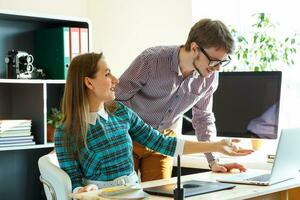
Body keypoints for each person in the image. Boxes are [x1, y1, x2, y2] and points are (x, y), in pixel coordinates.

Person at [54, 52, 253, 193]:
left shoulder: (120, 112)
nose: (115, 80)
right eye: (107, 74)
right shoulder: (65, 131)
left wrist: (217, 146)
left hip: (133, 192)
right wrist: (83, 189)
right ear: (89, 82)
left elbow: (163, 143)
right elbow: (72, 180)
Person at [115, 18, 246, 181]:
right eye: (214, 61)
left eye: (222, 62)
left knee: (159, 194)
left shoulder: (209, 77)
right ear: (194, 48)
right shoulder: (150, 61)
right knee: (124, 193)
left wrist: (213, 161)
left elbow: (203, 119)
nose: (217, 68)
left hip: (164, 142)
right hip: (128, 136)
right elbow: (116, 101)